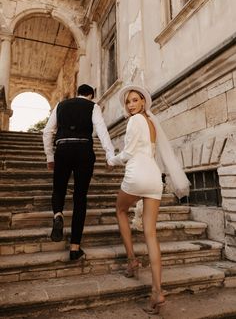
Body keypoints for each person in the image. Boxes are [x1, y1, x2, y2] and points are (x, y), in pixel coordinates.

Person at [108, 85, 190, 315]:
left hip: (137, 174)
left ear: (143, 102)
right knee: (151, 234)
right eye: (128, 102)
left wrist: (112, 161)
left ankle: (132, 260)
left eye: (135, 100)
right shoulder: (153, 122)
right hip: (154, 177)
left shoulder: (134, 121)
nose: (131, 105)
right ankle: (157, 291)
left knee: (120, 211)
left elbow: (128, 153)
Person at [43, 84, 114, 261]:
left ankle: (58, 214)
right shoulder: (93, 106)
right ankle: (75, 248)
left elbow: (47, 132)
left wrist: (50, 156)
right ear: (91, 95)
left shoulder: (60, 105)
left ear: (77, 94)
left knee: (58, 189)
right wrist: (109, 154)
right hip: (83, 150)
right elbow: (101, 129)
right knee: (80, 197)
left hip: (63, 148)